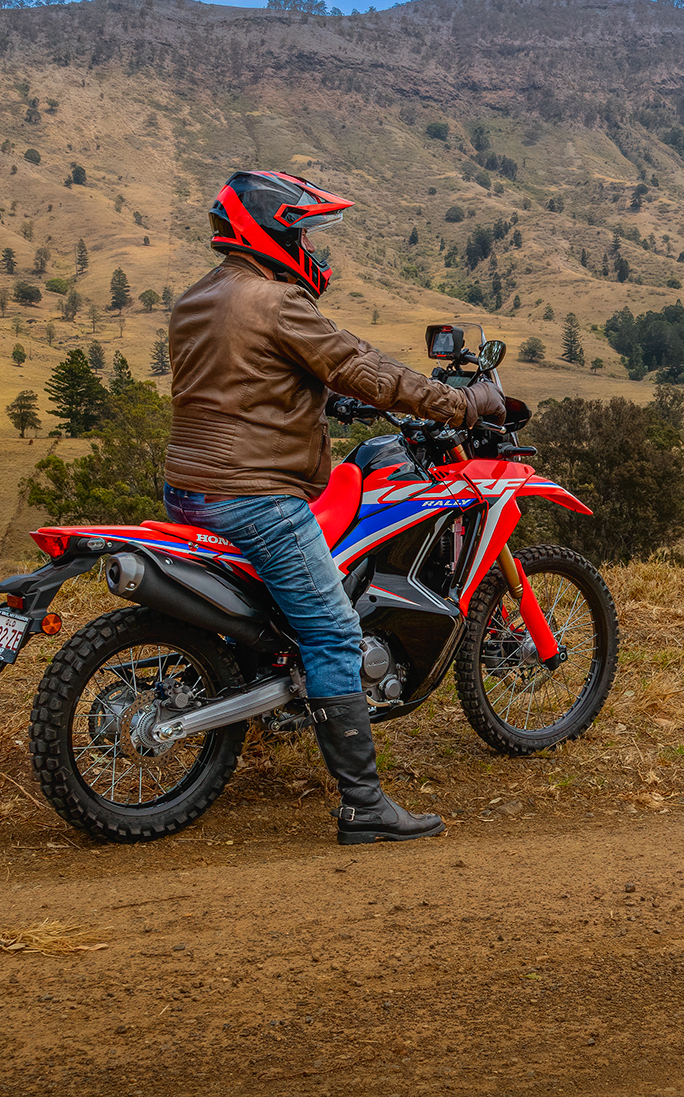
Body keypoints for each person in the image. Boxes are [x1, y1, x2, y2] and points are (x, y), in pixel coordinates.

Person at [165, 170, 504, 844]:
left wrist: (324, 400)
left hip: (190, 490)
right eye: (305, 235)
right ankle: (364, 807)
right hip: (255, 497)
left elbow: (247, 383)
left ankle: (268, 700)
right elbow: (365, 367)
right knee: (334, 635)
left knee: (280, 616)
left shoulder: (201, 298)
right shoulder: (274, 302)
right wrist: (466, 403)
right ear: (275, 232)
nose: (315, 254)